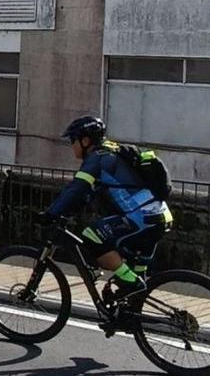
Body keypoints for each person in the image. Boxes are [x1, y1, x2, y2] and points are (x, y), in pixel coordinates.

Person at [43, 116, 174, 304]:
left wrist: (52, 213)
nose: (71, 146)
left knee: (92, 235)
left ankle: (130, 283)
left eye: (73, 140)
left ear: (85, 140)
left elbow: (77, 188)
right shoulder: (116, 151)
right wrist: (69, 211)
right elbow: (87, 194)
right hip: (160, 216)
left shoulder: (97, 158)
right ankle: (132, 315)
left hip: (140, 218)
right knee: (135, 279)